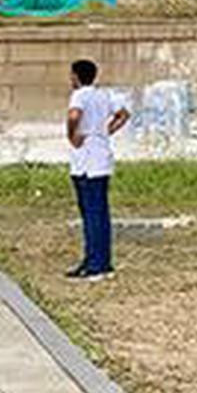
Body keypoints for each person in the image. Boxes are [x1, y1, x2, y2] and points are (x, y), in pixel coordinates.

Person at [66, 58, 130, 281]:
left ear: (76, 76)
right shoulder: (104, 95)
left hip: (86, 159)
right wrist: (106, 131)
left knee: (91, 213)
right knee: (100, 213)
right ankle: (100, 260)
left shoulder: (80, 95)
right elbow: (124, 114)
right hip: (101, 156)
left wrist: (72, 134)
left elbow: (74, 115)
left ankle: (95, 265)